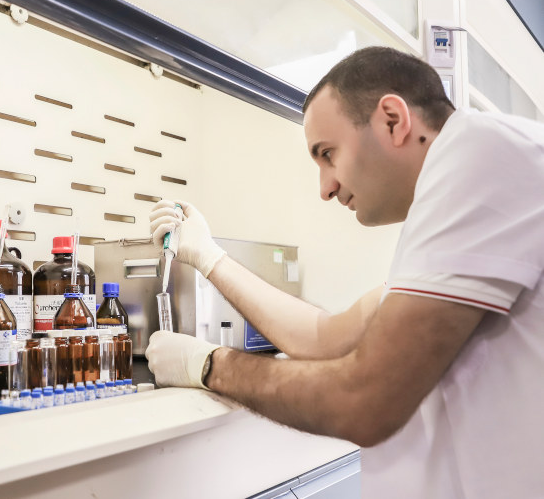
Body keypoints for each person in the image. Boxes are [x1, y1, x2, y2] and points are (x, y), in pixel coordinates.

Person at [145, 46, 544, 498]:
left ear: (393, 120)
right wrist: (207, 256)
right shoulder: (454, 191)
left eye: (327, 154)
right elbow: (326, 337)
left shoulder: (479, 160)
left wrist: (208, 365)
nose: (325, 187)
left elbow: (364, 400)